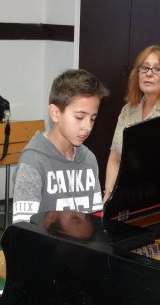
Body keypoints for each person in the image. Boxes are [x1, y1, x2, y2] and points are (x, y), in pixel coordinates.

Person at [12, 69, 109, 224]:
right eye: (79, 117)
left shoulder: (89, 159)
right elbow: (23, 229)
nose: (87, 127)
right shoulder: (33, 162)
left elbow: (96, 219)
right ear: (55, 113)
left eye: (92, 118)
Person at [103, 45, 160, 202]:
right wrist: (109, 195)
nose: (148, 73)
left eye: (157, 69)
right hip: (127, 195)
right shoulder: (128, 109)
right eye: (144, 67)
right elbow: (115, 158)